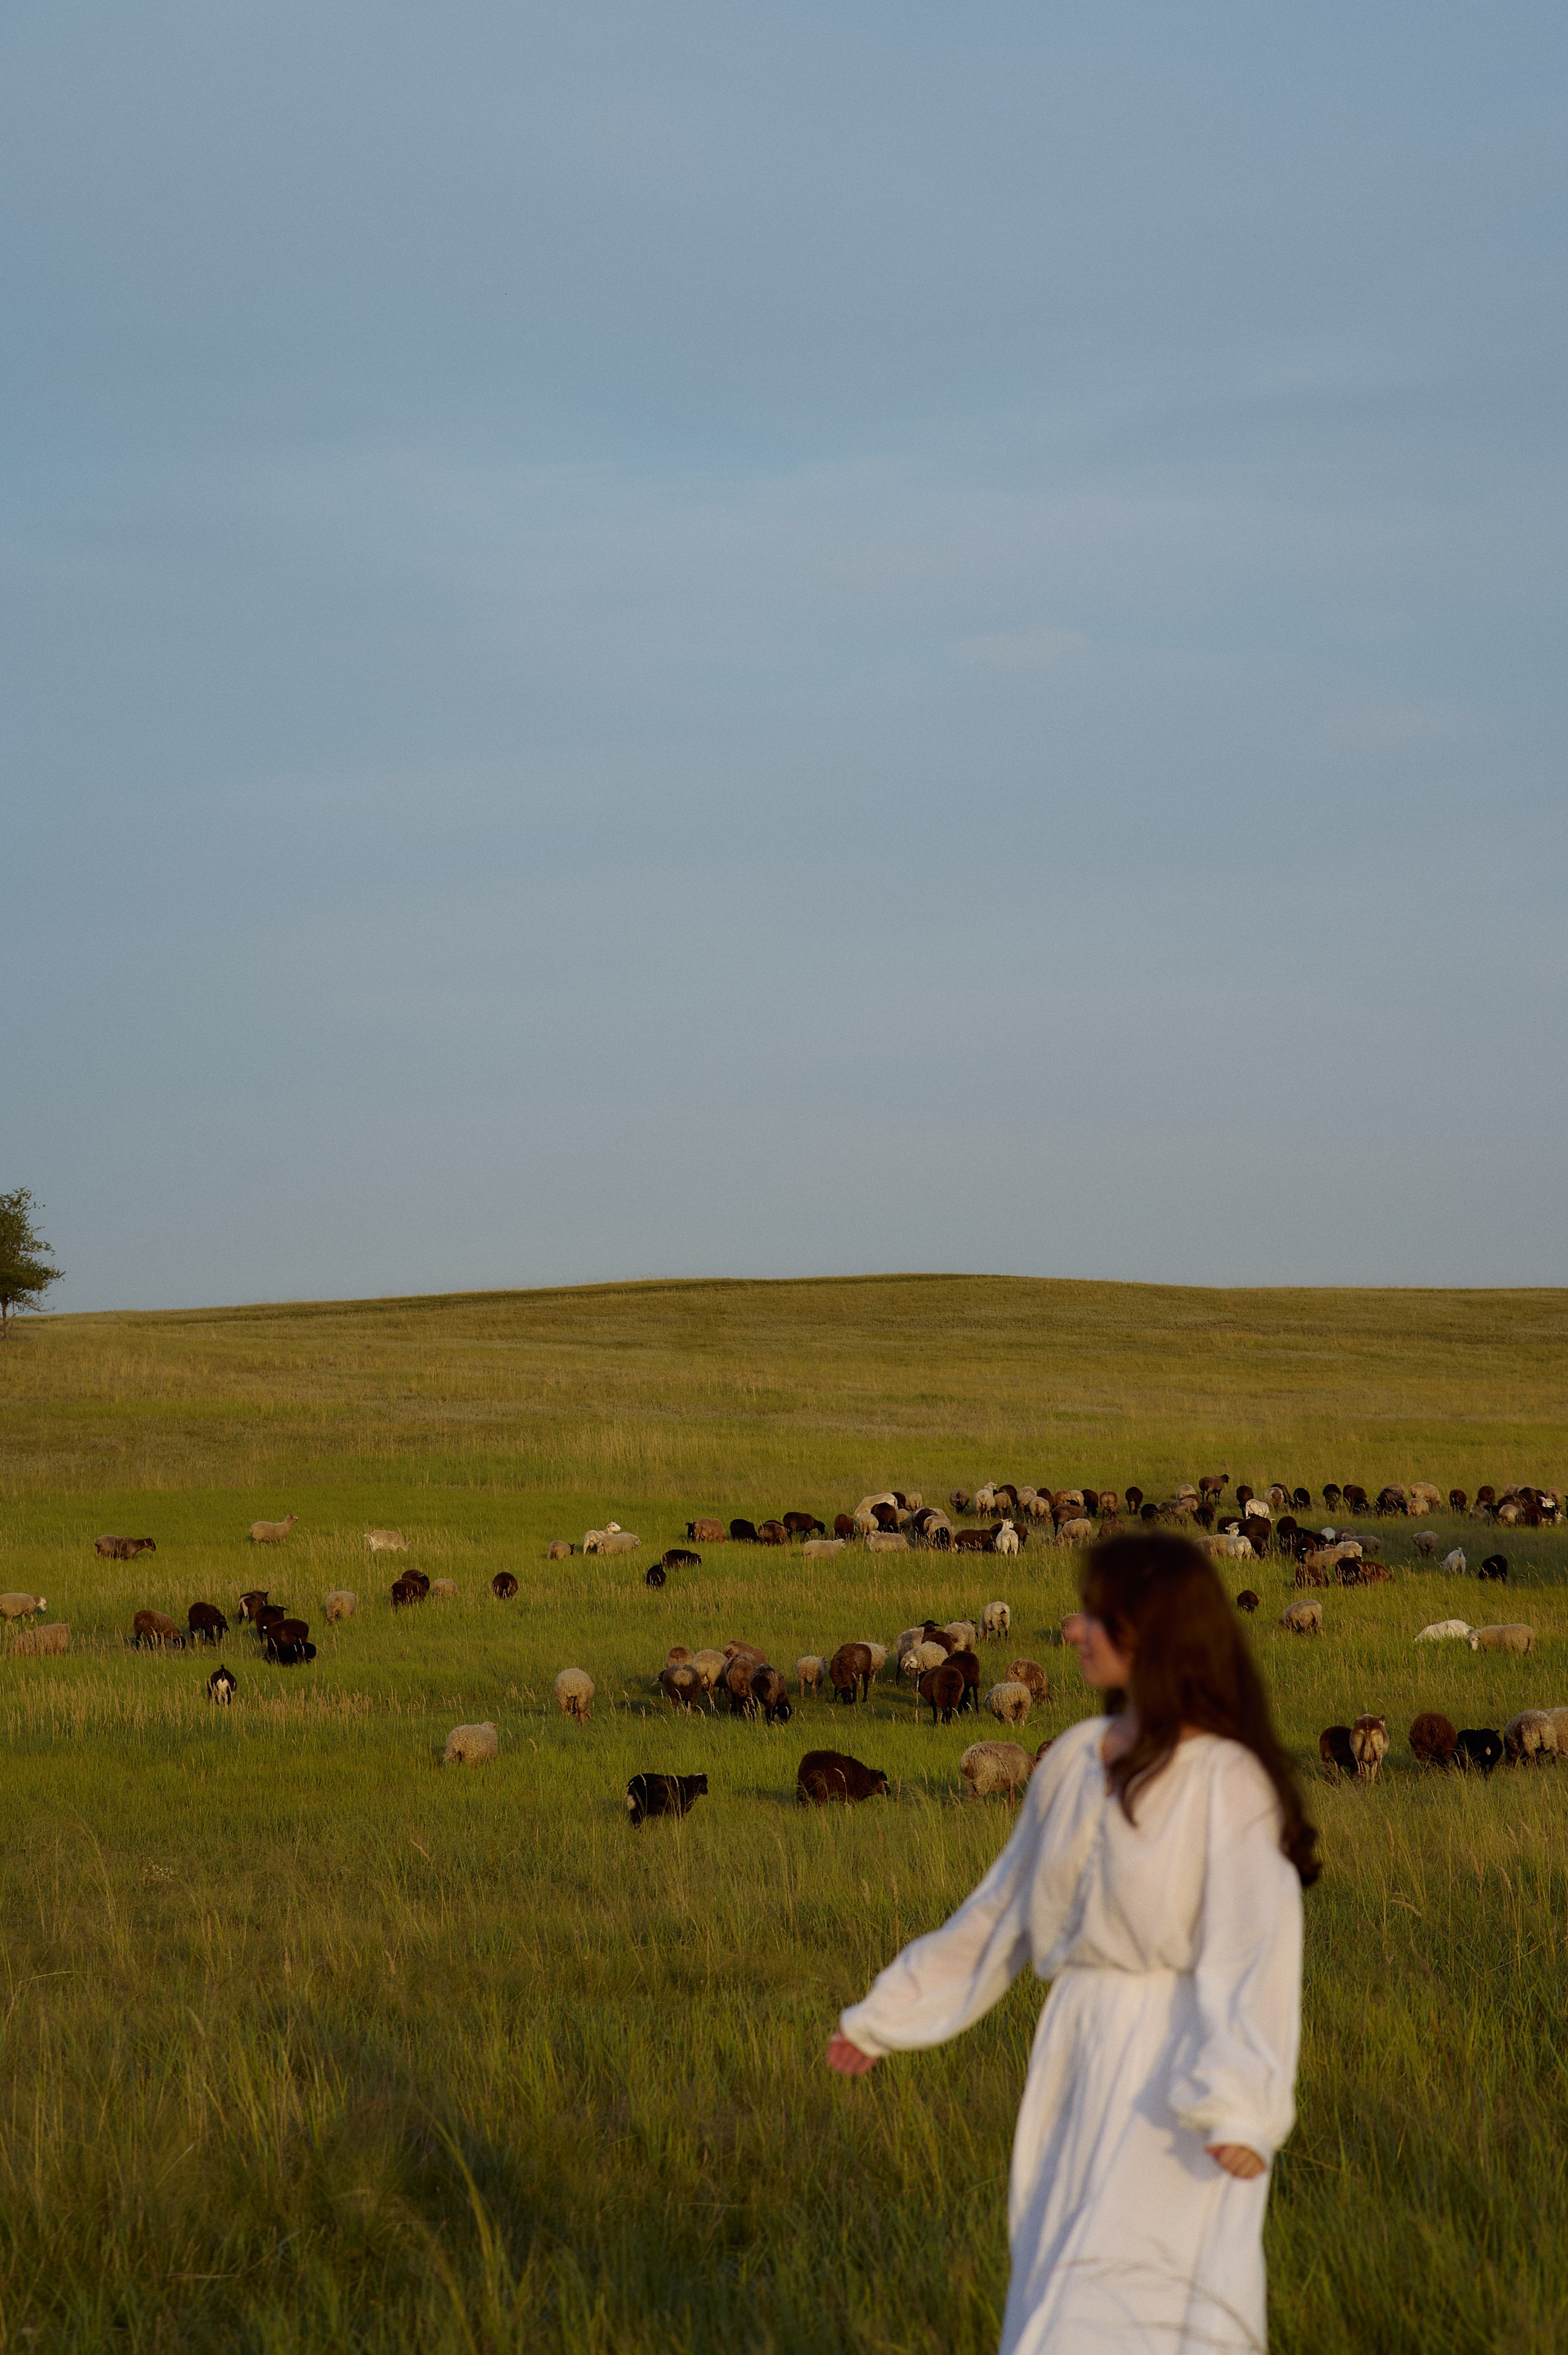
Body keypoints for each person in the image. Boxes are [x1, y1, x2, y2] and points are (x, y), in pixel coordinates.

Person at [827, 1531, 1317, 2355]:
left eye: (1100, 1616)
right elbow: (1001, 1914)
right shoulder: (1073, 1763)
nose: (1074, 1631)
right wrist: (892, 2013)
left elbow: (1253, 1951)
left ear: (1156, 1632)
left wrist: (1240, 2100)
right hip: (1078, 2052)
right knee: (1061, 2285)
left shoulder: (1225, 1781)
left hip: (1182, 2076)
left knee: (1161, 2302)